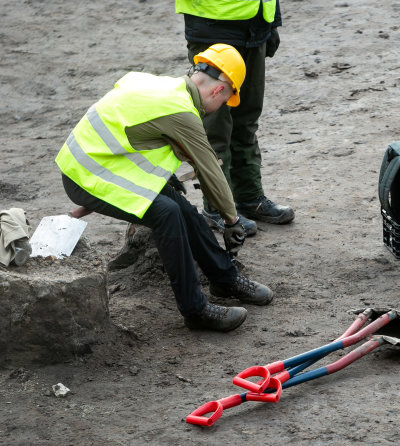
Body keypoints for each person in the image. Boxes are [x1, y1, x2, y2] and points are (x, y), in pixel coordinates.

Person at [55, 44, 273, 333]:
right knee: (167, 212)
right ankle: (195, 311)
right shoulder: (181, 111)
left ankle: (224, 278)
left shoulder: (163, 86)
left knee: (179, 204)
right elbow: (210, 170)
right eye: (226, 101)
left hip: (101, 163)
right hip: (85, 175)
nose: (220, 108)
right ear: (219, 91)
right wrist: (232, 221)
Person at [176, 0, 294, 236]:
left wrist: (271, 20)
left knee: (247, 118)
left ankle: (249, 197)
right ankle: (218, 208)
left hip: (255, 23)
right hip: (214, 25)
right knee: (215, 127)